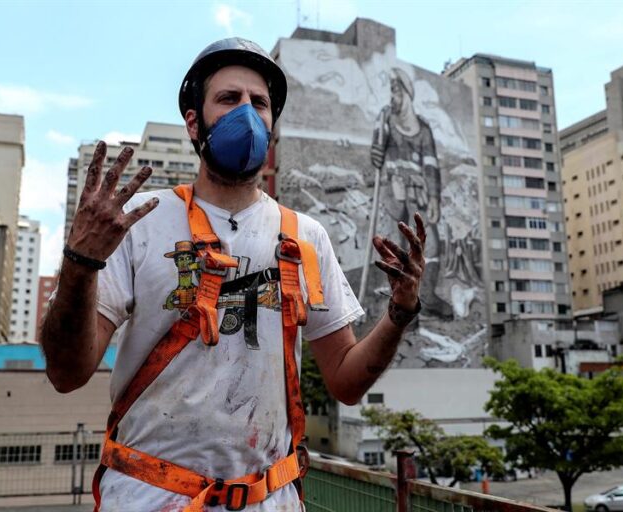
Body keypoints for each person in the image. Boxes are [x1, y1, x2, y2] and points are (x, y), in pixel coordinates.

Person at [41, 38, 427, 511]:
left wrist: (401, 311)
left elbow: (346, 380)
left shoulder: (306, 237)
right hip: (149, 498)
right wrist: (81, 262)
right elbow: (66, 373)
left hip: (272, 499)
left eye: (258, 103)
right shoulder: (140, 222)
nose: (246, 112)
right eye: (228, 99)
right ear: (193, 122)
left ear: (271, 126)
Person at [370, 68, 453, 319]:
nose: (392, 97)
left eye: (396, 91)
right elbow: (377, 151)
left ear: (406, 94)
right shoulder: (386, 120)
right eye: (391, 91)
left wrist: (435, 198)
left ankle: (426, 296)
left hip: (418, 192)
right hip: (394, 190)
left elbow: (431, 166)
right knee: (394, 244)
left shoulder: (423, 129)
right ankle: (399, 301)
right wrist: (376, 153)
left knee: (432, 242)